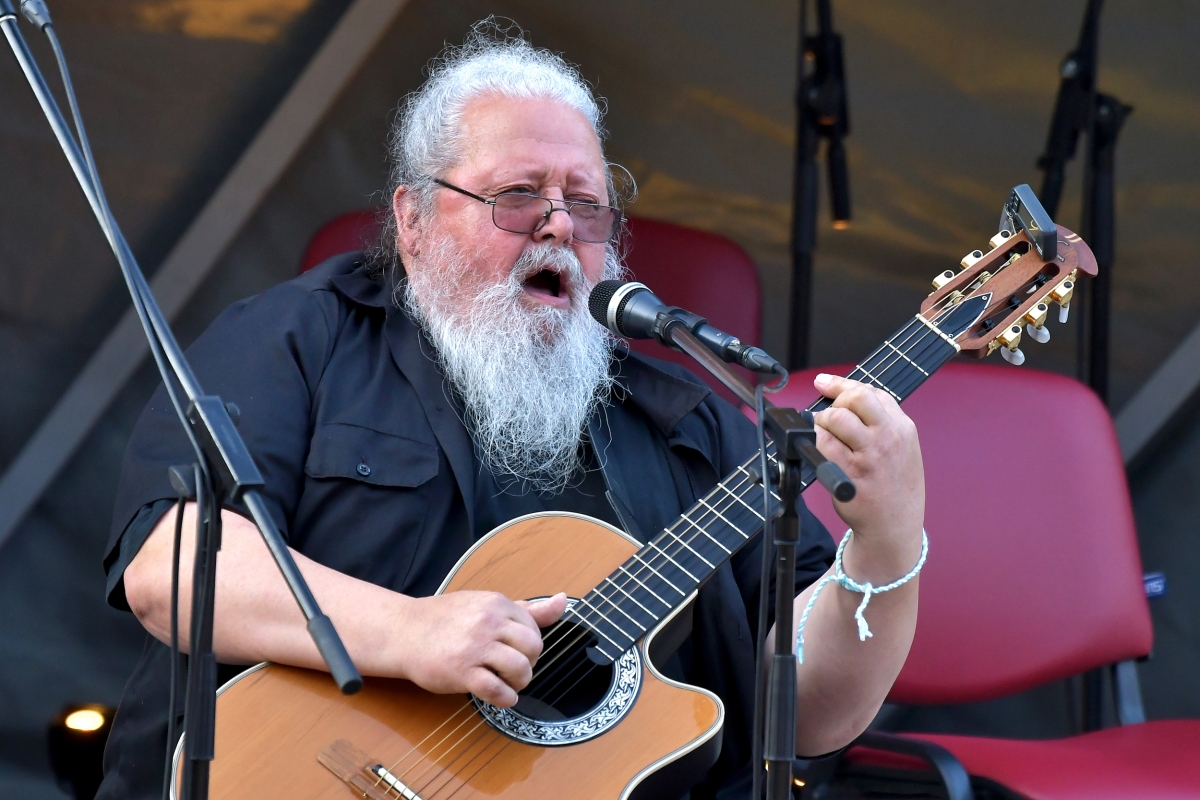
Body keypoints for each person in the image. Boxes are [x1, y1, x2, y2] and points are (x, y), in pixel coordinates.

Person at [96, 23, 925, 800]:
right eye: (519, 194)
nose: (558, 224)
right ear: (413, 219)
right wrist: (409, 633)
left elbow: (812, 715)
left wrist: (887, 542)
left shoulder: (686, 423)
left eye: (584, 202)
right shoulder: (298, 338)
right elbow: (170, 569)